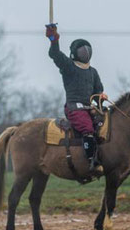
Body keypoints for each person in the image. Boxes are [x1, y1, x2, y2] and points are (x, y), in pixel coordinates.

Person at [45, 24, 107, 174]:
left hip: (89, 108)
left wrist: (101, 100)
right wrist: (53, 39)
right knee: (88, 129)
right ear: (74, 53)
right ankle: (92, 161)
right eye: (82, 50)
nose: (85, 53)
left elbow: (98, 92)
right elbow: (55, 54)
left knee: (105, 126)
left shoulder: (93, 72)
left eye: (87, 50)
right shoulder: (68, 66)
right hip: (74, 108)